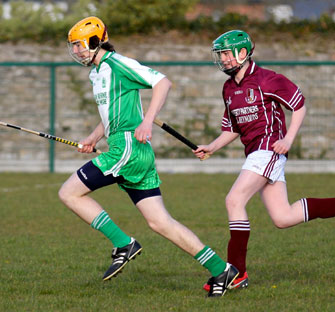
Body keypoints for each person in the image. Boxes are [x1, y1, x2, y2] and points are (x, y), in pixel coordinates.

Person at [58, 16, 238, 297]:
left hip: (127, 149)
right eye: (74, 47)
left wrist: (147, 120)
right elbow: (112, 115)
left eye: (80, 46)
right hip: (129, 149)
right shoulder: (97, 73)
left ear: (96, 42)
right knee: (160, 222)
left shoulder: (118, 63)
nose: (77, 52)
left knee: (69, 192)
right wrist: (94, 138)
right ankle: (221, 269)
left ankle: (123, 244)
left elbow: (163, 83)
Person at [193, 30, 335, 292]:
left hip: (268, 149)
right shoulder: (229, 88)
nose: (222, 59)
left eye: (225, 54)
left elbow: (299, 105)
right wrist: (211, 146)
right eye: (219, 54)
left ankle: (236, 272)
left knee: (234, 200)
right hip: (255, 152)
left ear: (242, 53)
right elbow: (233, 128)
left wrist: (288, 139)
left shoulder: (268, 79)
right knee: (283, 217)